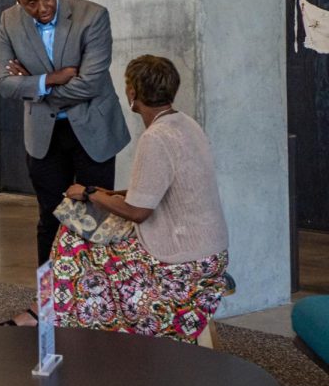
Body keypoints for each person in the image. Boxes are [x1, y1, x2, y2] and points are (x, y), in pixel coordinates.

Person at [25, 55, 229, 344]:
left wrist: (89, 193)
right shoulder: (185, 124)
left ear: (132, 93)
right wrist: (105, 193)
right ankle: (64, 318)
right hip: (210, 251)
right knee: (89, 238)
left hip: (183, 263)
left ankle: (74, 326)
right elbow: (155, 190)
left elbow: (138, 212)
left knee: (74, 241)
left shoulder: (156, 137)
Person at [0, 0, 130, 265]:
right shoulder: (9, 21)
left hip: (92, 129)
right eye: (31, 2)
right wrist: (52, 79)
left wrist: (33, 84)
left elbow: (90, 83)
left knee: (94, 217)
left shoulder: (92, 16)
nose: (43, 7)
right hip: (44, 135)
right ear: (19, 1)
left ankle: (93, 299)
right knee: (50, 217)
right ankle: (50, 298)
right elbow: (5, 84)